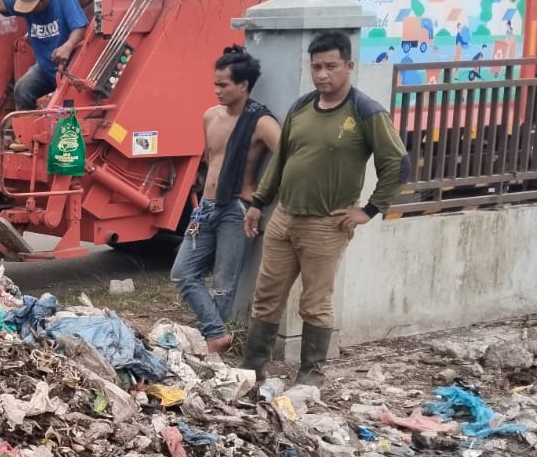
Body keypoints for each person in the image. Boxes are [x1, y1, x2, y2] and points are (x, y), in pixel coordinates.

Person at [242, 31, 407, 387]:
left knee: (315, 303)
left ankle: (310, 374)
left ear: (348, 66)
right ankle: (252, 371)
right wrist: (259, 203)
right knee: (266, 296)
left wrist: (369, 210)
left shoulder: (366, 112)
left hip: (325, 224)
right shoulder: (302, 106)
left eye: (331, 66)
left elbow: (397, 164)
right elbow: (282, 159)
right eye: (316, 67)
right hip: (284, 217)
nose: (322, 75)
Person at [170, 46, 280, 354]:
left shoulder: (261, 122)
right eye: (215, 84)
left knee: (223, 283)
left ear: (243, 85)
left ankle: (212, 343)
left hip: (238, 209)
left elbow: (288, 158)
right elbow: (210, 160)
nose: (217, 90)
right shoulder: (210, 116)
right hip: (206, 208)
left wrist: (260, 198)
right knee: (182, 273)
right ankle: (216, 332)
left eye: (224, 85)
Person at [0, 0, 88, 110]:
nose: (29, 11)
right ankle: (29, 128)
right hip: (45, 68)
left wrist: (68, 46)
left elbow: (80, 28)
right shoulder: (26, 2)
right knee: (22, 89)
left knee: (68, 107)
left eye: (33, 6)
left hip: (71, 67)